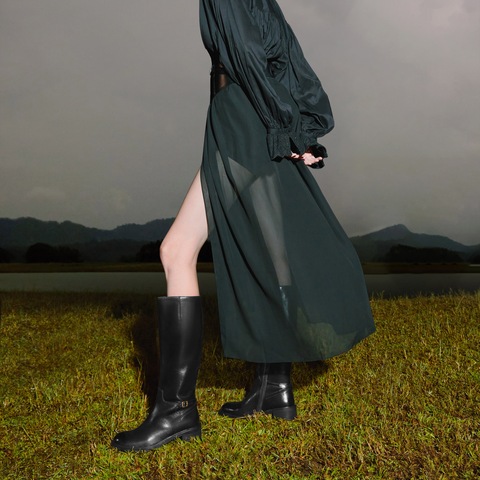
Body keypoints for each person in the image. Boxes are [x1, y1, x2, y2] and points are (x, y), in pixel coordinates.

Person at [111, 0, 375, 452]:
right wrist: (301, 128)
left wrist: (285, 128)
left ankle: (176, 412)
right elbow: (290, 58)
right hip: (257, 117)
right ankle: (274, 388)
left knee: (176, 250)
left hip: (242, 117)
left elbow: (250, 56)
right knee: (274, 252)